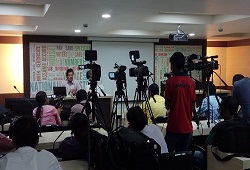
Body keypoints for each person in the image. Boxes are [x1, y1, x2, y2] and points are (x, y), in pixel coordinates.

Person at [164, 52, 196, 152]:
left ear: (174, 65)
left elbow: (167, 105)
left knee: (167, 158)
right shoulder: (191, 82)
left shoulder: (170, 82)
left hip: (174, 127)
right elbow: (193, 104)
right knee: (183, 160)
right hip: (187, 128)